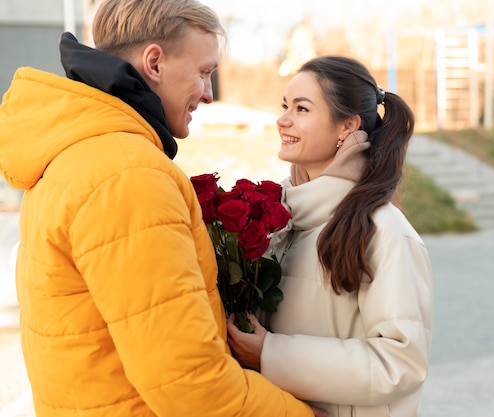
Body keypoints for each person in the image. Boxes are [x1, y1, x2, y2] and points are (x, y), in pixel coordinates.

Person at [0, 1, 323, 416]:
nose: (208, 94)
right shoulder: (127, 173)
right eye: (204, 72)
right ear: (154, 62)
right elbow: (188, 381)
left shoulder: (77, 153)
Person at [227, 55, 434, 417]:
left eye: (302, 109)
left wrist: (271, 353)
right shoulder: (278, 222)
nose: (283, 119)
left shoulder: (384, 231)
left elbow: (401, 363)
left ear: (346, 127)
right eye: (285, 106)